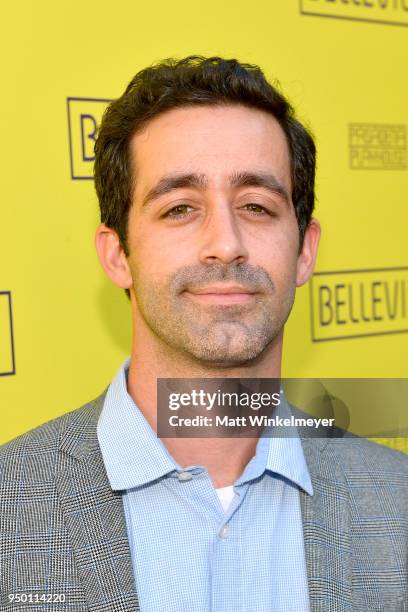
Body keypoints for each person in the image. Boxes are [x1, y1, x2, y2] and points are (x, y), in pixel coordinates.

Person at [1, 56, 407, 612]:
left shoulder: (397, 499)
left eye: (257, 206)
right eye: (181, 208)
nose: (226, 242)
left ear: (305, 250)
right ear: (118, 255)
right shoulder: (11, 503)